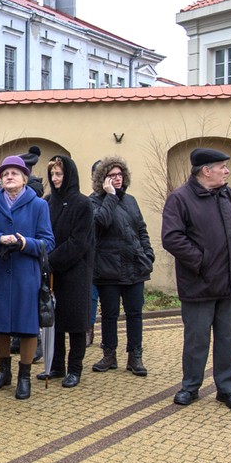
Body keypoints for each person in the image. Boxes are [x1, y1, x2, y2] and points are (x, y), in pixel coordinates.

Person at [162, 148, 231, 411]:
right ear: (206, 171)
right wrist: (202, 261)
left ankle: (227, 389)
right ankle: (190, 387)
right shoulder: (180, 198)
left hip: (229, 282)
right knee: (196, 341)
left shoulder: (229, 195)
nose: (226, 171)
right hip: (199, 284)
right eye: (222, 167)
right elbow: (172, 238)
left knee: (227, 341)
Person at [0, 156, 55, 400]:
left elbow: (48, 242)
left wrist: (25, 243)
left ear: (24, 178)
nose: (9, 177)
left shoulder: (39, 205)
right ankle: (4, 372)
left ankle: (24, 377)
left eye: (15, 173)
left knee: (27, 327)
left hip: (25, 275)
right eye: (5, 173)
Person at [89, 156, 154, 377]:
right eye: (112, 175)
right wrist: (110, 196)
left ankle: (135, 356)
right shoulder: (93, 201)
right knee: (109, 314)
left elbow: (141, 229)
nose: (117, 179)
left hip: (134, 265)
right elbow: (100, 223)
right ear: (102, 179)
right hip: (107, 268)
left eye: (120, 175)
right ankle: (109, 355)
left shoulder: (131, 201)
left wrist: (148, 254)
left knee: (135, 313)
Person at [36, 155, 94, 388]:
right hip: (51, 271)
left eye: (59, 174)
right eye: (52, 174)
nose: (55, 178)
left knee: (76, 323)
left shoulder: (83, 204)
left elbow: (79, 242)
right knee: (54, 321)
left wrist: (51, 260)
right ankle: (57, 365)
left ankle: (75, 368)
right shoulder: (48, 201)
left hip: (75, 270)